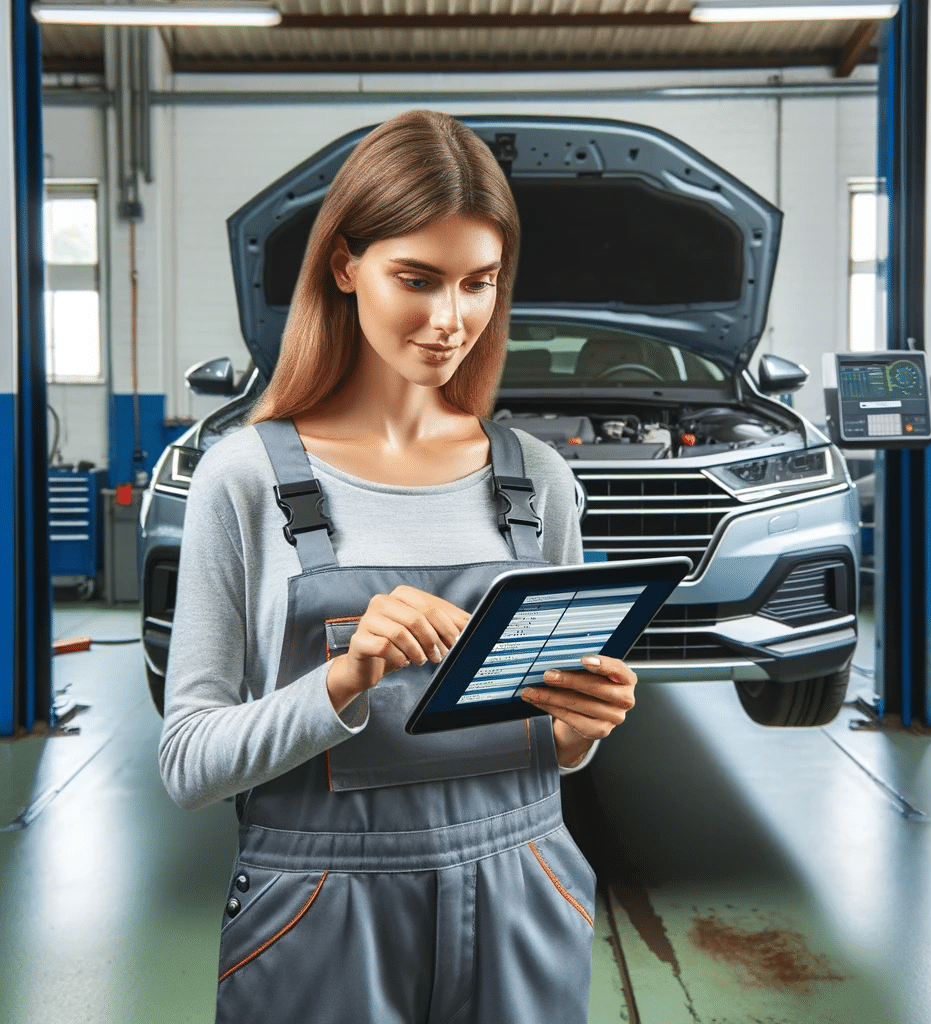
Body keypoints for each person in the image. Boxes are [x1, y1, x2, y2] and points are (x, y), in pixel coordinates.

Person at [158, 109, 639, 1024]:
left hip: (525, 882)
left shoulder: (538, 479)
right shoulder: (246, 478)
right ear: (345, 266)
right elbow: (188, 761)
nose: (450, 320)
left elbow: (557, 754)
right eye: (416, 279)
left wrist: (583, 729)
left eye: (479, 282)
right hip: (319, 910)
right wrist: (342, 681)